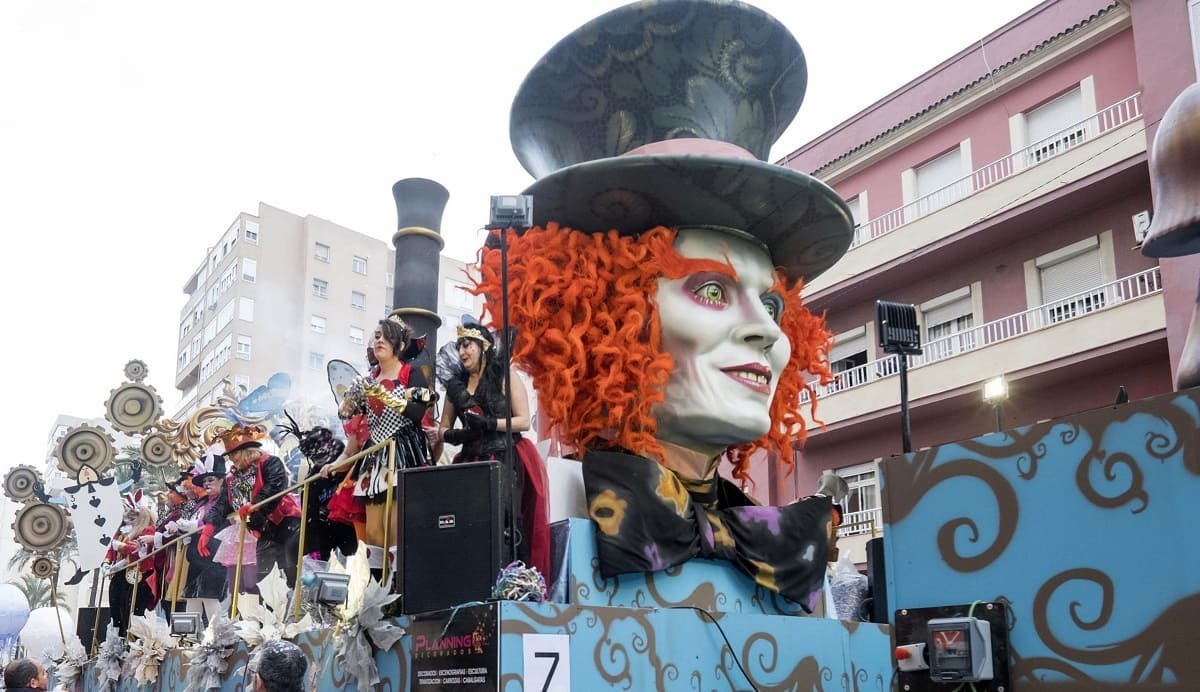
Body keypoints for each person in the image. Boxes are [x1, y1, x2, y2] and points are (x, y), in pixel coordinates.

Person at [473, 0, 853, 607]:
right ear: (603, 317)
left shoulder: (790, 551)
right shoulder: (542, 509)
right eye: (711, 290)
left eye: (774, 306)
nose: (767, 334)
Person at [322, 315, 436, 573]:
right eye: (376, 336)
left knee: (395, 528)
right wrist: (334, 464)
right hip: (375, 458)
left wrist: (382, 395)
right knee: (373, 534)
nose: (379, 340)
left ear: (400, 343)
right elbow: (349, 421)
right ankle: (377, 592)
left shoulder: (411, 374)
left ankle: (397, 592)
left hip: (403, 452)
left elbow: (418, 413)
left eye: (385, 336)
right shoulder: (367, 379)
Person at [436, 317, 549, 578]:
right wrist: (456, 433)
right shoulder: (456, 385)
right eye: (460, 345)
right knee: (467, 522)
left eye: (468, 345)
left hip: (504, 459)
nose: (462, 351)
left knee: (504, 522)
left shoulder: (505, 375)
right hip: (469, 462)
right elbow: (442, 428)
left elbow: (522, 420)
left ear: (484, 346)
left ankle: (511, 581)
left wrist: (489, 423)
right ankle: (471, 579)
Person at [201, 423, 302, 586]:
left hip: (283, 524)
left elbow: (274, 486)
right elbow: (223, 503)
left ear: (245, 451)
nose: (231, 459)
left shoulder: (270, 462)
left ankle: (296, 603)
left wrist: (255, 506)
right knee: (256, 578)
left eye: (233, 454)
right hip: (258, 530)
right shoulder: (231, 477)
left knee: (290, 569)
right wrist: (209, 526)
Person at [103, 490, 162, 637]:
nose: (128, 517)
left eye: (133, 515)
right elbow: (111, 550)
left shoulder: (148, 531)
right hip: (120, 574)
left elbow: (140, 551)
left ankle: (134, 642)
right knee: (117, 608)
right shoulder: (120, 533)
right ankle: (118, 640)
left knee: (133, 611)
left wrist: (122, 547)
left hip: (140, 575)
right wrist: (107, 563)